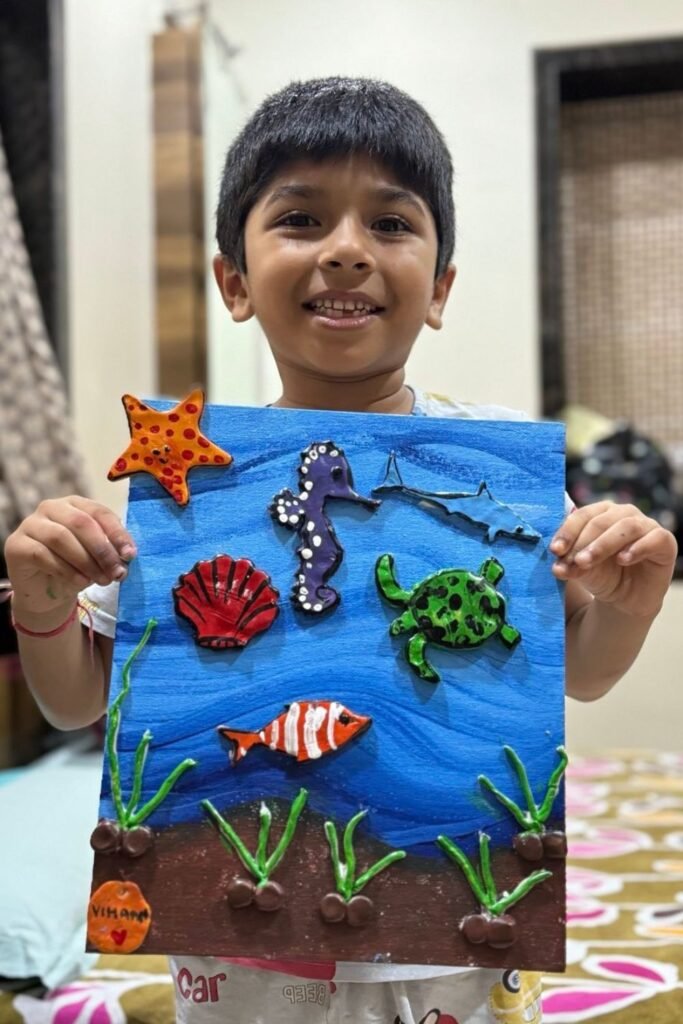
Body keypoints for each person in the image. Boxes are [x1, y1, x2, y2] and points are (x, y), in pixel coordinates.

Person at [4, 77, 678, 1024]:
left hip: (448, 949)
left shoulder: (493, 469)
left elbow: (582, 672)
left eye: (391, 224)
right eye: (300, 218)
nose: (347, 250)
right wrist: (42, 608)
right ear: (234, 281)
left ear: (439, 288)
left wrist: (628, 605)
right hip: (241, 956)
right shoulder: (189, 481)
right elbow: (78, 700)